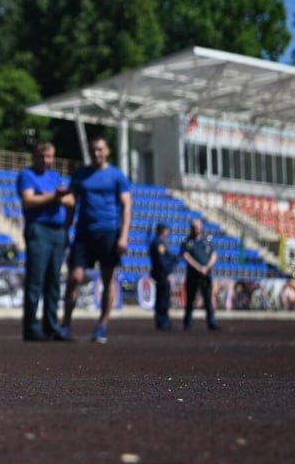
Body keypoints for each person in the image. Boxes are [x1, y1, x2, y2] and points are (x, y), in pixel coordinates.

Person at [62, 136, 132, 345]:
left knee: (108, 279)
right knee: (74, 277)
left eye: (100, 149)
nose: (96, 153)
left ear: (108, 150)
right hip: (83, 233)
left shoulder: (117, 175)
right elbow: (72, 203)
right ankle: (65, 324)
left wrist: (124, 235)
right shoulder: (81, 174)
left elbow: (127, 206)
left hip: (108, 232)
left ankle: (102, 325)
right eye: (93, 150)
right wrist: (66, 229)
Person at [15, 141, 73, 341]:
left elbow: (70, 200)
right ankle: (31, 326)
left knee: (54, 281)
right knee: (36, 280)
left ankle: (51, 325)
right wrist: (54, 197)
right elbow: (29, 200)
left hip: (57, 231)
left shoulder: (55, 176)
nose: (46, 160)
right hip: (38, 229)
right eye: (43, 156)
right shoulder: (27, 175)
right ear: (35, 156)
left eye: (50, 156)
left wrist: (50, 197)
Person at [181, 218, 220, 331]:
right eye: (194, 226)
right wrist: (198, 267)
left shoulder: (207, 240)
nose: (196, 229)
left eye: (198, 226)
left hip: (206, 275)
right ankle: (188, 323)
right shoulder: (187, 241)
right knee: (190, 300)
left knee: (208, 300)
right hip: (193, 275)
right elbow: (186, 256)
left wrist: (206, 267)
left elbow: (214, 254)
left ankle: (211, 322)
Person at [148, 223, 176, 330]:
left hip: (159, 273)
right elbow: (162, 261)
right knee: (163, 298)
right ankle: (163, 320)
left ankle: (162, 319)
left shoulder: (157, 242)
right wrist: (168, 272)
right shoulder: (159, 243)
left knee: (161, 297)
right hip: (161, 274)